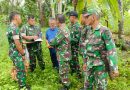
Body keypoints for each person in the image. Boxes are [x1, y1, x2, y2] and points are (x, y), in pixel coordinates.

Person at [80, 9, 119, 90]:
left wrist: (114, 68)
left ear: (93, 17)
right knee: (87, 86)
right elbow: (86, 47)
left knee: (101, 88)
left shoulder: (104, 31)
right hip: (89, 64)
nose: (85, 19)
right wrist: (84, 62)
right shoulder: (88, 30)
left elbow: (111, 50)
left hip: (100, 66)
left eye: (87, 17)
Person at [6, 12, 30, 89]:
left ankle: (22, 84)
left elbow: (12, 41)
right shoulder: (14, 28)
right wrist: (23, 54)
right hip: (16, 52)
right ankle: (22, 87)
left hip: (13, 51)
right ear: (16, 18)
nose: (21, 19)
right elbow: (17, 44)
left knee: (18, 68)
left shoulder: (10, 27)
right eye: (20, 18)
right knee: (21, 69)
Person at [49, 14, 71, 90]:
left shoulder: (62, 30)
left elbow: (54, 42)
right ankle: (65, 82)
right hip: (65, 53)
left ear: (58, 21)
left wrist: (51, 41)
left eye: (56, 21)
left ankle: (66, 86)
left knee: (63, 71)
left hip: (63, 54)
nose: (55, 22)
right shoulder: (65, 28)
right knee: (65, 70)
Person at [68, 11, 81, 77]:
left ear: (73, 17)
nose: (69, 18)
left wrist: (68, 39)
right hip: (70, 47)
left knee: (75, 60)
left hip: (75, 47)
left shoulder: (78, 27)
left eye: (70, 17)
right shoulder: (70, 25)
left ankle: (79, 74)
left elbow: (77, 39)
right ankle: (73, 72)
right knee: (71, 60)